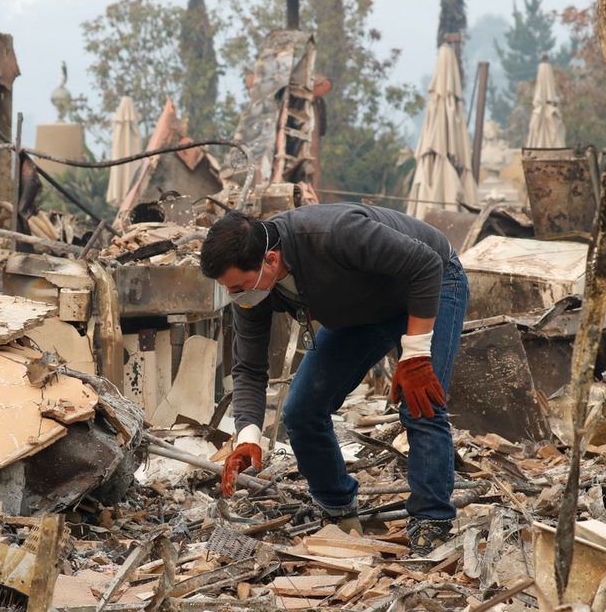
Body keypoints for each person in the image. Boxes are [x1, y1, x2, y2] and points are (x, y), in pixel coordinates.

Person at [199, 204, 468, 554]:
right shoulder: (253, 293)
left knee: (421, 401)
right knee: (301, 412)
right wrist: (248, 435)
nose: (236, 297)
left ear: (270, 260)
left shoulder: (333, 233)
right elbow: (249, 369)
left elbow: (425, 264)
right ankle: (338, 511)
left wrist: (415, 355)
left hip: (430, 283)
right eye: (229, 290)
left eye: (239, 287)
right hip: (359, 312)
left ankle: (432, 522)